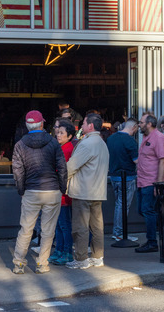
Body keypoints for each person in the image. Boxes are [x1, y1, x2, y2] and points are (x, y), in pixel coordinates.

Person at [10, 110, 67, 275]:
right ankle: (42, 264)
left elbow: (18, 171)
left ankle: (18, 263)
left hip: (31, 191)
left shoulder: (20, 144)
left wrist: (21, 190)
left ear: (28, 125)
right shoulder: (53, 142)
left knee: (26, 229)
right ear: (42, 124)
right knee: (48, 230)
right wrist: (62, 187)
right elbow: (62, 167)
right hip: (52, 190)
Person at [66, 113, 109, 270]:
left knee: (80, 227)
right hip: (98, 191)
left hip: (83, 191)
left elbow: (71, 166)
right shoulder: (102, 143)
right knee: (96, 227)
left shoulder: (86, 144)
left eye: (83, 123)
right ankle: (97, 257)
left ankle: (81, 258)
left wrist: (62, 183)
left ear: (90, 126)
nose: (81, 125)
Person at [135, 113, 164, 253]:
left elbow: (163, 160)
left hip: (151, 182)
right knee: (143, 210)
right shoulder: (145, 137)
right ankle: (157, 235)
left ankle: (152, 241)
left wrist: (158, 184)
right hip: (142, 181)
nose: (139, 124)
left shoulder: (159, 138)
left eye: (141, 122)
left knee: (148, 210)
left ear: (149, 124)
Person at [106, 118, 139, 242]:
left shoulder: (111, 138)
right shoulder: (130, 141)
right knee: (123, 205)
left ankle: (118, 231)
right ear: (134, 127)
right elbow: (136, 160)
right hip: (127, 177)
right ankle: (119, 232)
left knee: (119, 205)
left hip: (113, 176)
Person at [49, 119, 76, 265]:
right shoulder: (62, 148)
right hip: (59, 192)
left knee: (64, 225)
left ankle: (66, 252)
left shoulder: (67, 149)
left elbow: (62, 171)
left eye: (61, 133)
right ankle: (59, 250)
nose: (58, 135)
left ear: (70, 136)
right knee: (59, 225)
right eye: (57, 132)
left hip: (63, 193)